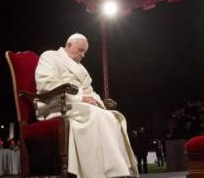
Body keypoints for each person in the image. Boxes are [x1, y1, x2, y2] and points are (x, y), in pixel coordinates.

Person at [35, 33, 138, 178]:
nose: (83, 55)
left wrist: (97, 101)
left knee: (113, 117)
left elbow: (90, 92)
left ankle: (114, 172)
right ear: (69, 45)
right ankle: (93, 173)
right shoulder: (50, 57)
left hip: (78, 106)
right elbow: (46, 84)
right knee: (95, 115)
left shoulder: (81, 68)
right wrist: (81, 98)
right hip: (57, 105)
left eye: (85, 51)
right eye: (80, 50)